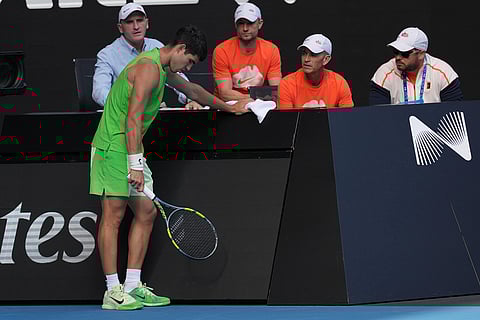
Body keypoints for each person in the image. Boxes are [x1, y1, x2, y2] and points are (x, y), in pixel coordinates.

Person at [89, 25, 249, 311]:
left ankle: (133, 285)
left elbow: (192, 90)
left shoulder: (162, 67)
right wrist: (135, 165)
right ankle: (112, 291)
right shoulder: (149, 69)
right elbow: (132, 120)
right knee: (113, 215)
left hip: (129, 146)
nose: (188, 66)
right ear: (179, 49)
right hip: (113, 147)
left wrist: (229, 106)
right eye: (188, 61)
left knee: (146, 211)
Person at [92, 3, 201, 109]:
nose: (136, 27)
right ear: (120, 28)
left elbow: (176, 77)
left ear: (147, 23)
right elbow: (99, 92)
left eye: (139, 20)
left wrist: (190, 99)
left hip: (153, 115)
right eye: (129, 22)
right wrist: (128, 106)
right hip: (123, 117)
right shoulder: (107, 54)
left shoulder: (156, 46)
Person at [370, 27, 463, 105]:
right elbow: (378, 116)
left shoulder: (443, 72)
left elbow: (453, 112)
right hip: (395, 125)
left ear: (421, 54)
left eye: (404, 53)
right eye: (395, 52)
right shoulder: (384, 73)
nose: (398, 57)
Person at [212, 2, 282, 101]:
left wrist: (256, 100)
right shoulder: (222, 51)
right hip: (227, 107)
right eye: (241, 23)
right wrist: (258, 97)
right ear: (235, 25)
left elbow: (276, 91)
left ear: (260, 24)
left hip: (259, 105)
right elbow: (225, 94)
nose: (245, 28)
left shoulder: (271, 50)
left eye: (250, 23)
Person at [277, 34, 354, 109]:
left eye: (313, 54)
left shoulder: (339, 83)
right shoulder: (287, 84)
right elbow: (285, 121)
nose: (306, 59)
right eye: (304, 53)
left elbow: (348, 119)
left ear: (326, 59)